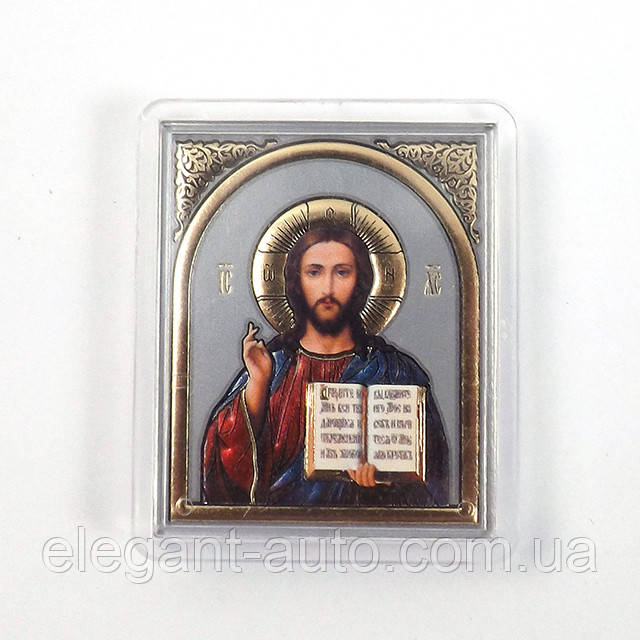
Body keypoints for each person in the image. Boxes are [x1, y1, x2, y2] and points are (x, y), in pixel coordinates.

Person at [201, 222, 449, 507]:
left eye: (342, 272)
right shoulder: (273, 367)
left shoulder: (395, 373)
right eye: (314, 272)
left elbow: (434, 483)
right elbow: (223, 479)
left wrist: (384, 485)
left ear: (361, 282)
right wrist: (257, 384)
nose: (328, 288)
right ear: (296, 282)